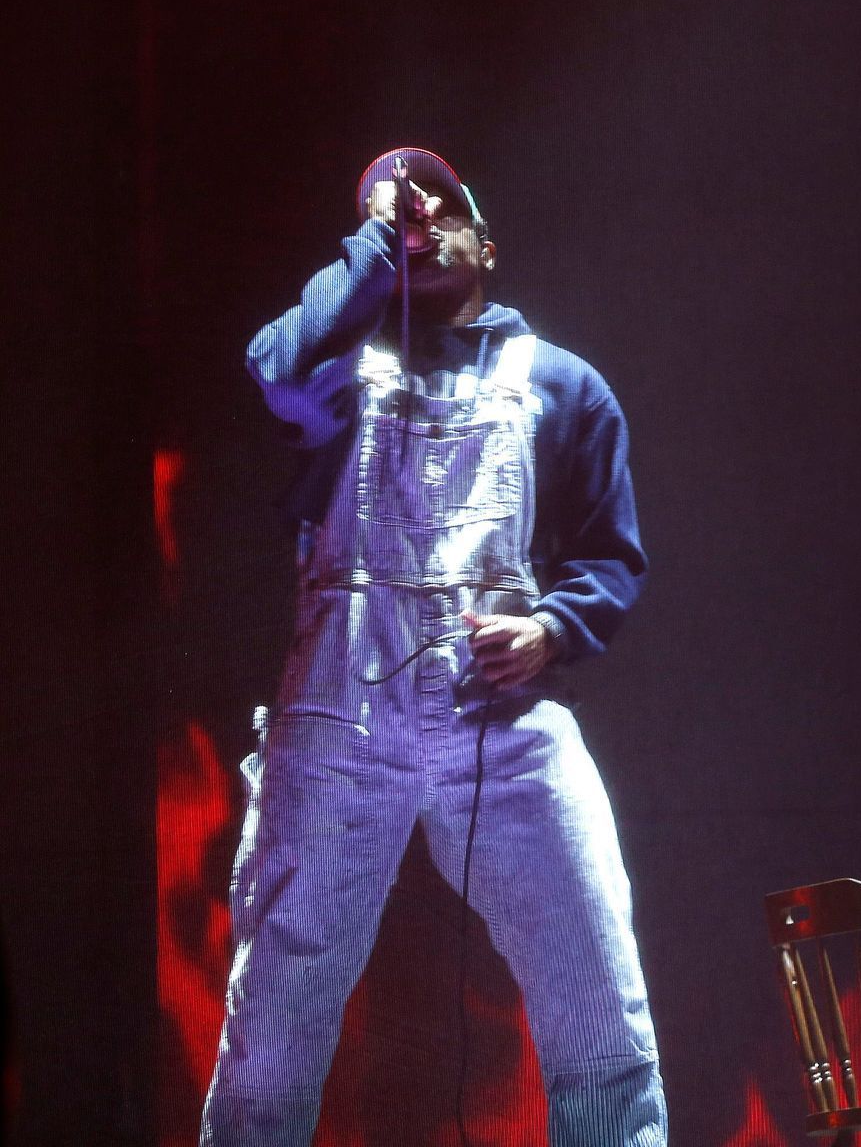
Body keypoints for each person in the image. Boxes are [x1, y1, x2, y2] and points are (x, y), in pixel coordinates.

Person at [202, 147, 665, 1145]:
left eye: (439, 199)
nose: (416, 208)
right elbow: (268, 364)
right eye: (391, 199)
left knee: (598, 995)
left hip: (501, 715)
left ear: (487, 244)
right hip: (338, 715)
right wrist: (378, 240)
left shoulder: (564, 384)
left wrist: (549, 628)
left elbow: (610, 558)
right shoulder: (333, 374)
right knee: (276, 1013)